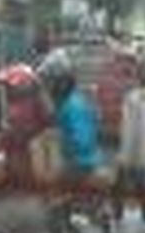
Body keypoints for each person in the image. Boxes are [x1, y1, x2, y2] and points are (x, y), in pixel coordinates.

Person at [37, 49, 102, 177]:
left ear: (61, 83)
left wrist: (58, 142)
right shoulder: (67, 104)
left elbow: (82, 142)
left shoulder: (73, 106)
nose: (48, 88)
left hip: (80, 166)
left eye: (50, 83)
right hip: (74, 163)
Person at [0, 63, 53, 182]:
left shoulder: (30, 103)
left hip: (29, 161)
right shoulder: (18, 103)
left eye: (10, 87)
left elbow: (23, 130)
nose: (8, 90)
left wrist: (4, 138)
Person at [112, 57, 145, 224]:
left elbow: (130, 130)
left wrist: (124, 157)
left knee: (120, 186)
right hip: (142, 153)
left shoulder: (132, 99)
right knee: (141, 187)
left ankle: (118, 217)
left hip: (132, 153)